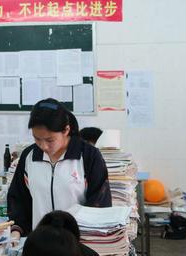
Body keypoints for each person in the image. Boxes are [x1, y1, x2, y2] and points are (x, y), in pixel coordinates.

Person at [8, 98, 111, 244]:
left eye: (50, 140)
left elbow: (99, 204)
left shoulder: (88, 156)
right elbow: (18, 199)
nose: (43, 146)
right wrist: (16, 231)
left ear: (66, 130)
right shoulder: (29, 156)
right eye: (37, 139)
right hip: (39, 243)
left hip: (77, 244)